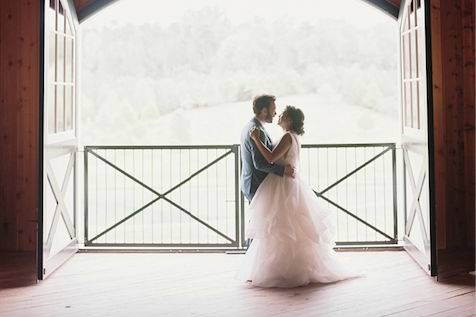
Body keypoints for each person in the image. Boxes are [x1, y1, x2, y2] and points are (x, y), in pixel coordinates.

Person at [238, 105, 362, 288]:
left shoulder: (288, 137)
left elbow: (271, 157)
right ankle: (284, 267)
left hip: (282, 186)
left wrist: (256, 139)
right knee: (287, 228)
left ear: (290, 120)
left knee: (281, 227)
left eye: (284, 115)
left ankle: (286, 270)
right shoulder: (293, 137)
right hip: (287, 184)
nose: (279, 116)